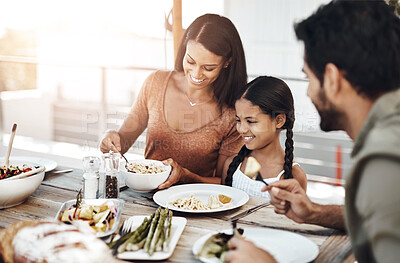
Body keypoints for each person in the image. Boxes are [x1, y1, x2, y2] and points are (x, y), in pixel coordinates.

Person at [224, 1, 400, 263]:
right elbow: (380, 214)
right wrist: (314, 212)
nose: (307, 92)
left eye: (308, 78)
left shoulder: (383, 161)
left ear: (331, 78)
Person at [100, 14, 247, 189]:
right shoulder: (156, 83)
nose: (196, 73)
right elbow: (122, 141)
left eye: (208, 68)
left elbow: (226, 181)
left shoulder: (233, 113)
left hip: (196, 204)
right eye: (190, 61)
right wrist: (110, 136)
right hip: (146, 199)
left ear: (227, 62)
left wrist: (185, 176)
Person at [222, 76, 307, 199]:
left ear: (279, 120)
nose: (241, 129)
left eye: (251, 121)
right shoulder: (232, 165)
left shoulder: (294, 176)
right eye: (238, 120)